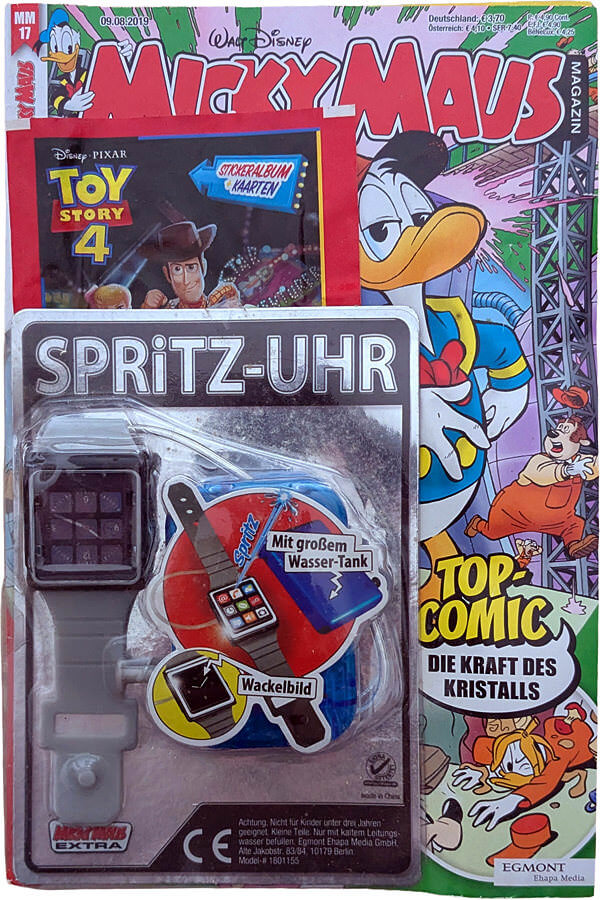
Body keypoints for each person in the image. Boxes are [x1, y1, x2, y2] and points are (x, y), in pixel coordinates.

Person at [140, 221, 240, 310]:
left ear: (203, 267)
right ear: (168, 275)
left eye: (191, 267)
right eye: (177, 269)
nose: (186, 280)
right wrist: (148, 307)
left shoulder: (218, 304)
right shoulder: (169, 309)